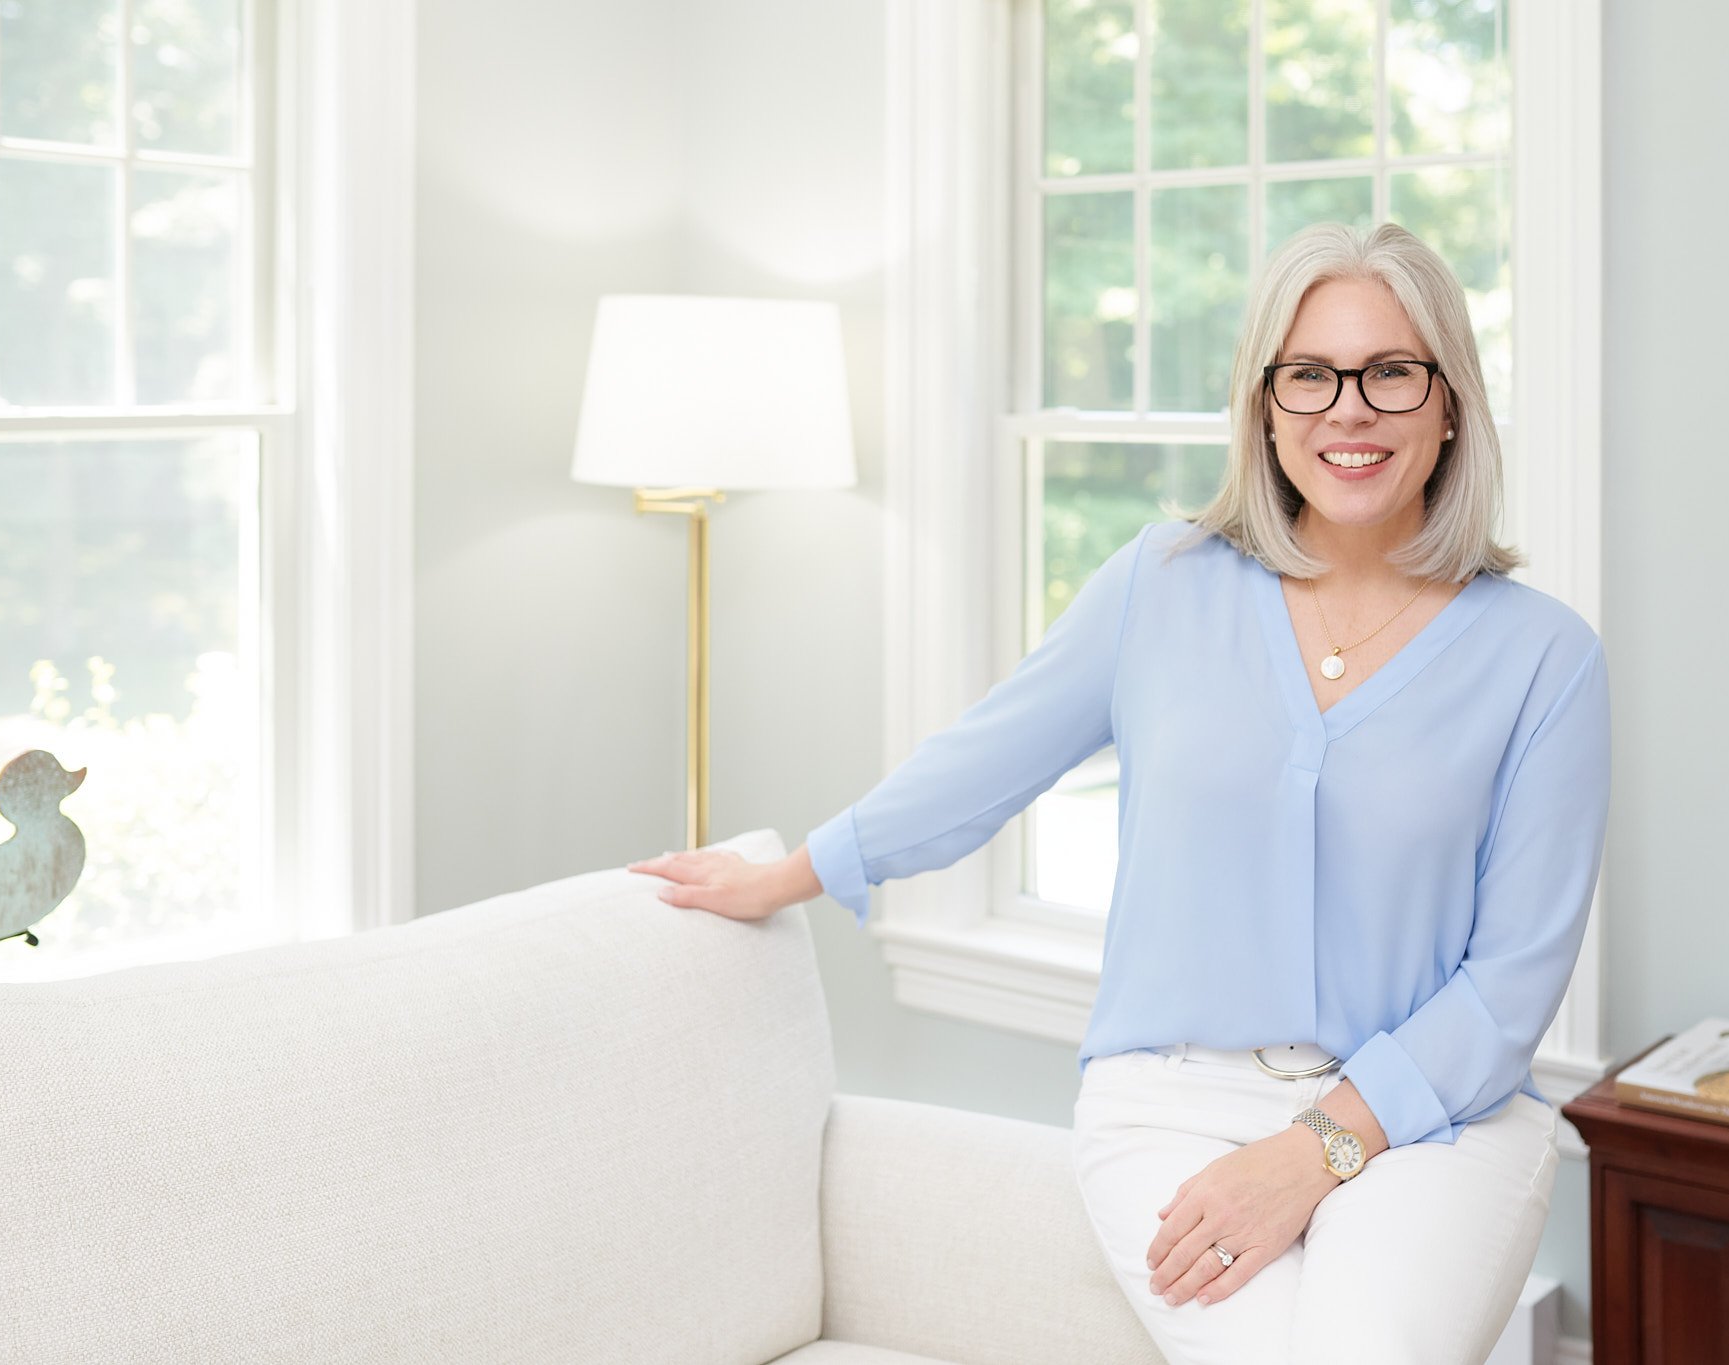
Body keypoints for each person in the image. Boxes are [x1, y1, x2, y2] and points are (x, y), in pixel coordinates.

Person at [627, 220, 1611, 1365]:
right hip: (1169, 1102)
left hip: (1429, 1117)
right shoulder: (1161, 583)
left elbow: (1508, 984)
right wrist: (791, 873)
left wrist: (1312, 1151)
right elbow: (984, 759)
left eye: (1390, 372)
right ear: (1263, 407)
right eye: (1307, 375)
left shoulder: (1544, 659)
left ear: (1448, 406)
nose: (1346, 411)